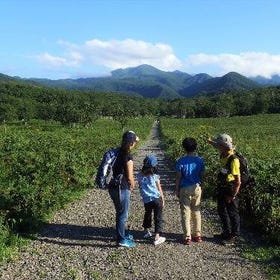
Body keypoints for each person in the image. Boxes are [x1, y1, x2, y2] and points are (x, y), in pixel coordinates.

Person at [207, 133, 241, 244]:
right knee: (221, 210)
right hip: (223, 187)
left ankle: (234, 236)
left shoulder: (233, 160)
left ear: (223, 146)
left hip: (230, 190)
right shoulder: (224, 153)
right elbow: (216, 145)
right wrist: (210, 141)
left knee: (232, 213)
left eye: (218, 145)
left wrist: (233, 196)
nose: (217, 147)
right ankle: (226, 232)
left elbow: (238, 181)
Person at [109, 130, 139, 248]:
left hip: (113, 186)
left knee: (119, 212)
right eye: (134, 142)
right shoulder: (128, 156)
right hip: (122, 187)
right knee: (123, 214)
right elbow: (130, 176)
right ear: (131, 143)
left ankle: (120, 235)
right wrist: (132, 184)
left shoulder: (117, 152)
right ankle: (121, 239)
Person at [175, 137, 205, 245]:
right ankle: (198, 235)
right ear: (195, 147)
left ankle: (187, 236)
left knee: (185, 212)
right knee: (196, 210)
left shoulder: (181, 161)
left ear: (184, 148)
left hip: (184, 188)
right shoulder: (200, 161)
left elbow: (178, 177)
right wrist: (203, 186)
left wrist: (177, 189)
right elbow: (202, 175)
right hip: (197, 187)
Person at [137, 155, 166, 246]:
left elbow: (140, 186)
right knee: (158, 216)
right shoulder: (155, 176)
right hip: (156, 199)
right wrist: (163, 198)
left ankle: (146, 231)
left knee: (147, 214)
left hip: (146, 200)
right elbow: (159, 188)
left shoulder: (139, 175)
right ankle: (157, 236)